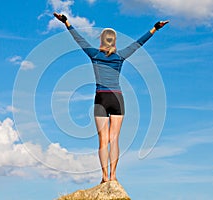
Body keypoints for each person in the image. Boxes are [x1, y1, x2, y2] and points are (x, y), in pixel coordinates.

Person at [54, 12, 169, 183]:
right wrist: (154, 28)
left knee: (103, 141)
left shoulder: (94, 54)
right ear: (114, 41)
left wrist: (66, 22)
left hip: (101, 98)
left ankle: (105, 177)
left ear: (101, 40)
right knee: (114, 139)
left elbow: (79, 39)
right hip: (117, 98)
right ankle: (114, 176)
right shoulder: (120, 56)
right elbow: (138, 44)